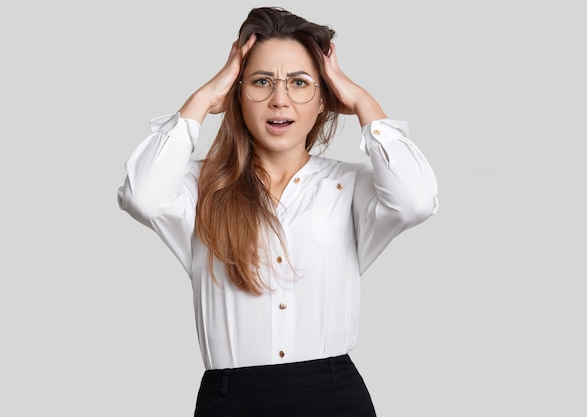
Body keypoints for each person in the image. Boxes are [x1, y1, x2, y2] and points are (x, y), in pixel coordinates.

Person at [118, 6, 438, 417]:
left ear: (324, 98)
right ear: (236, 92)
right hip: (232, 401)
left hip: (334, 398)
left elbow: (416, 199)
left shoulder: (351, 187)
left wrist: (362, 101)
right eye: (261, 82)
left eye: (300, 83)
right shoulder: (202, 187)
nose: (279, 99)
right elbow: (142, 194)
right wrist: (201, 99)